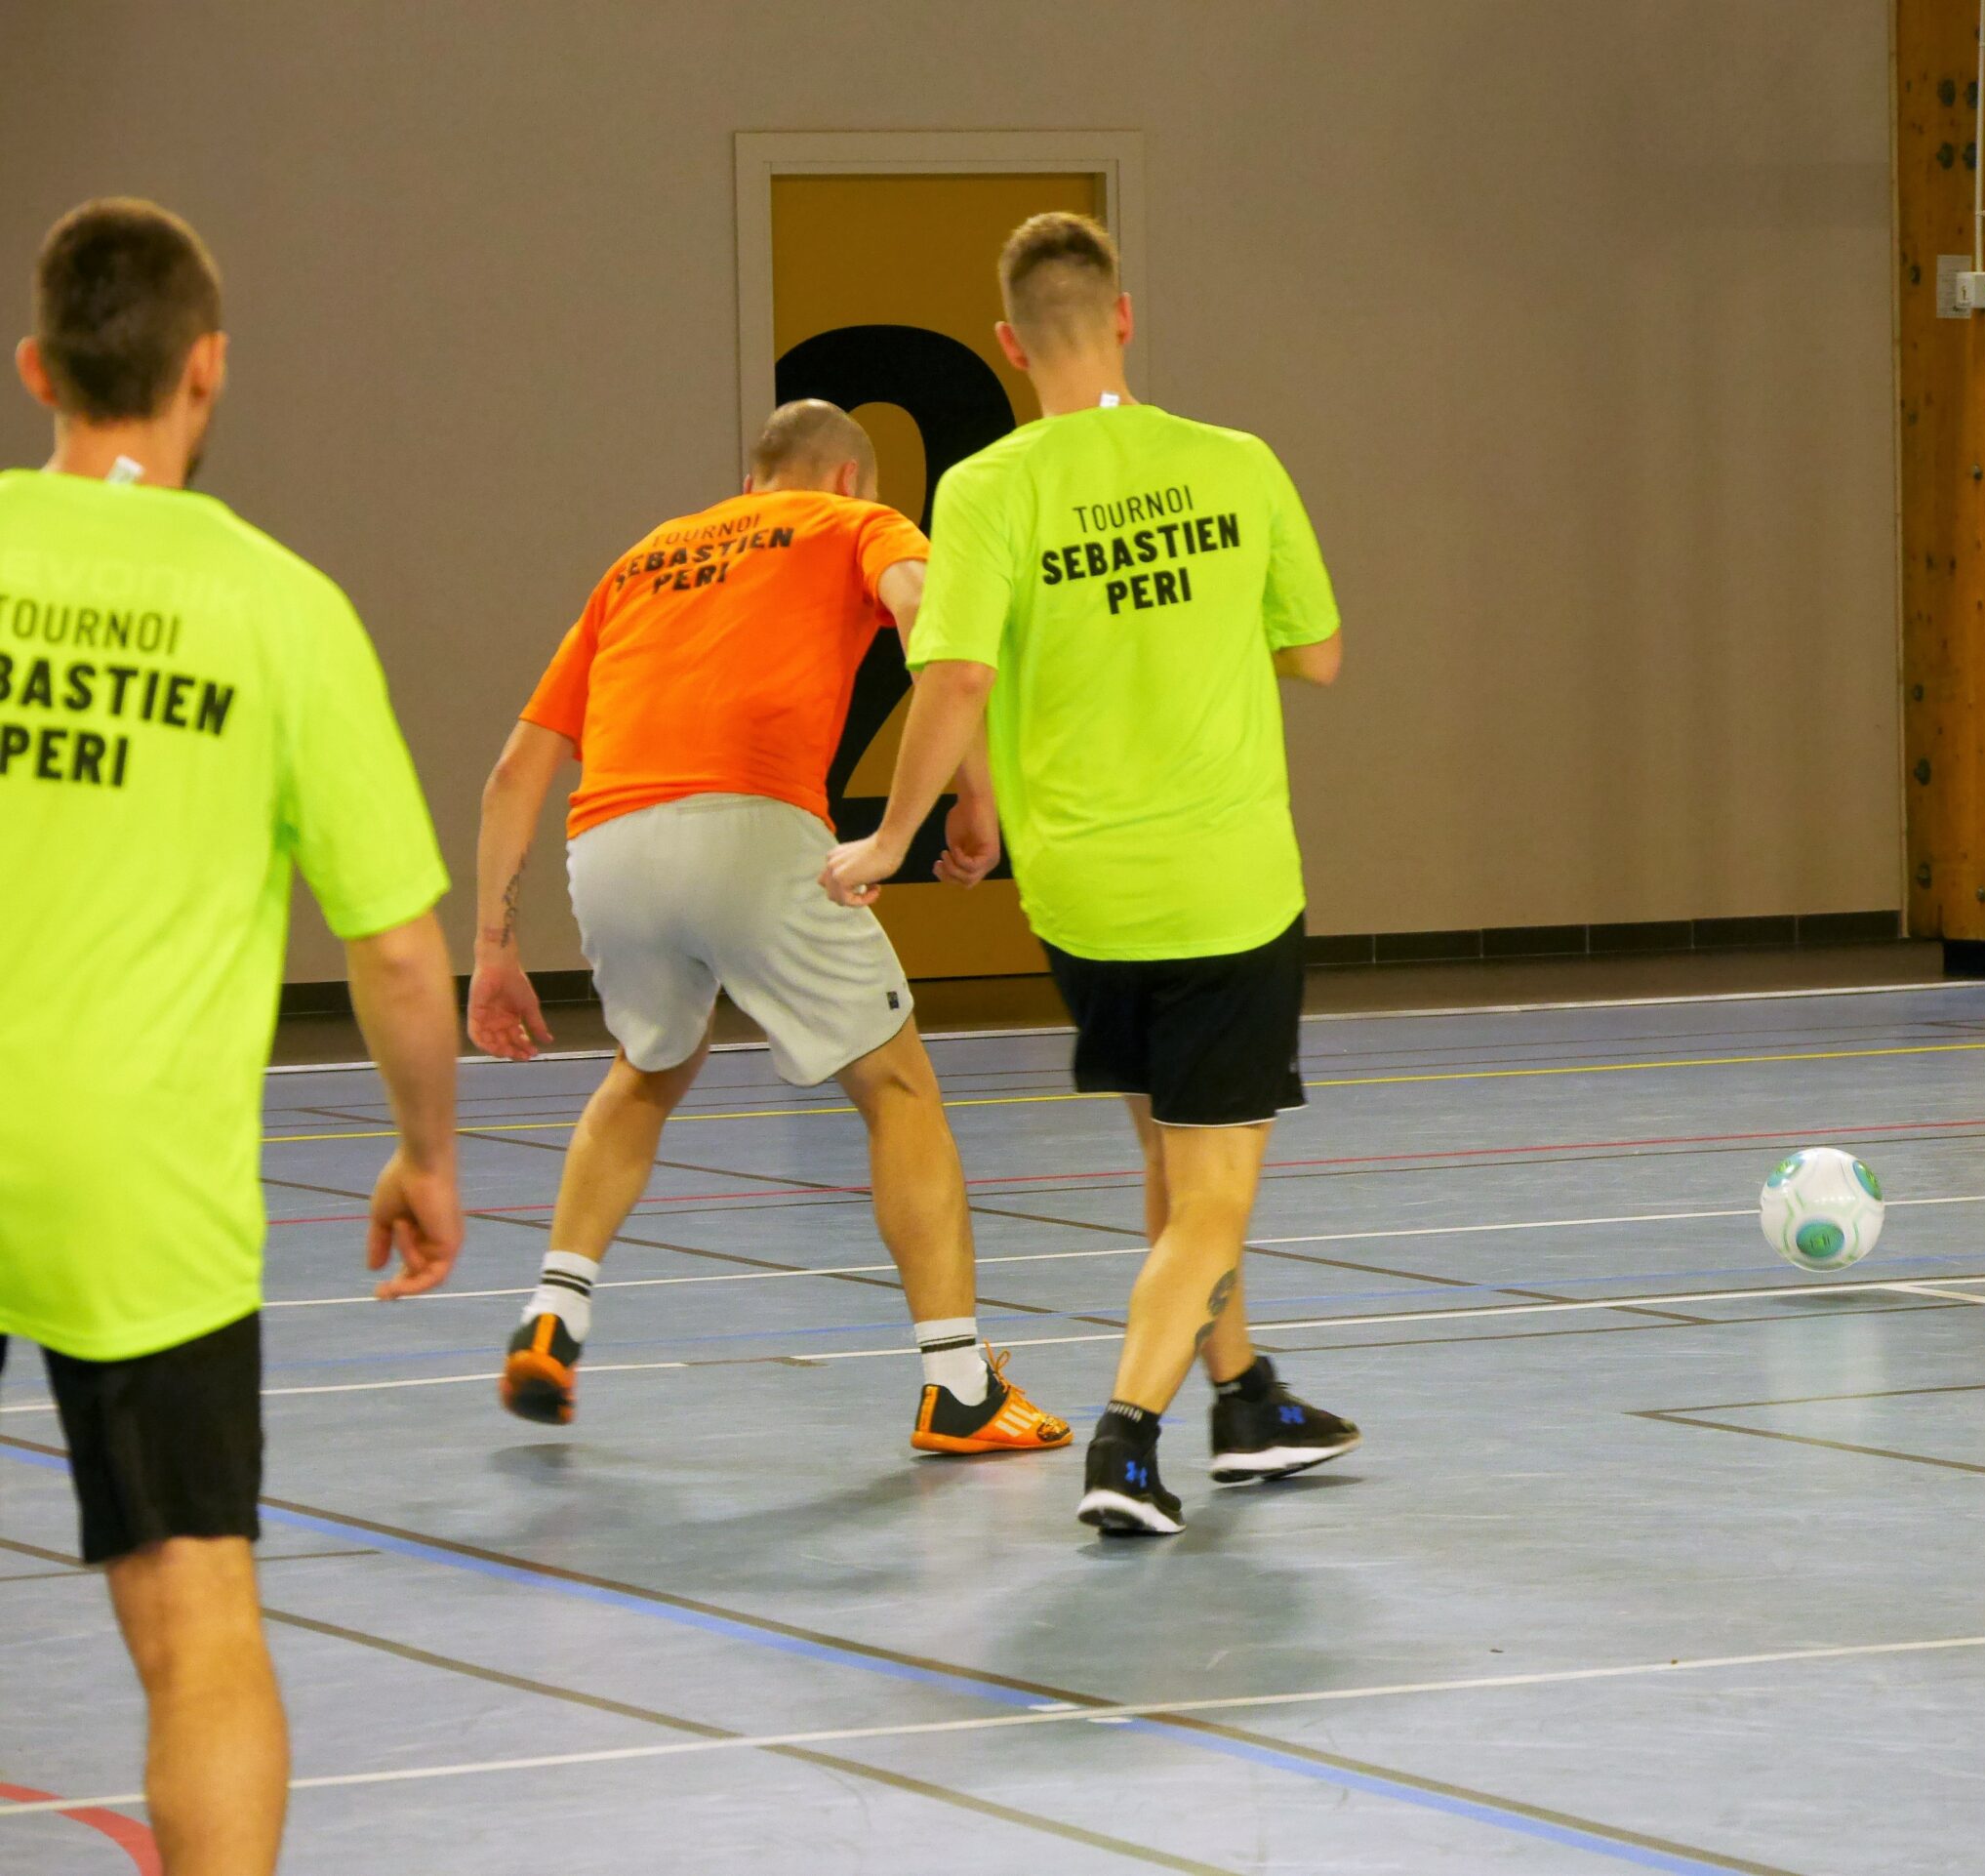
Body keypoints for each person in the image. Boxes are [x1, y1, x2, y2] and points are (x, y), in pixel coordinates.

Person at [0, 199, 462, 1876]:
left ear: (39, 367)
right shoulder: (283, 609)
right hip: (141, 1189)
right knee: (199, 1613)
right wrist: (424, 1153)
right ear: (206, 371)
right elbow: (402, 953)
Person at [825, 212, 1357, 1536]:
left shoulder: (989, 489)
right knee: (1217, 1193)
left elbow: (953, 676)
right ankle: (1128, 1439)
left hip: (1081, 900)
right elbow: (1321, 653)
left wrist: (893, 842)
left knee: (1174, 1160)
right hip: (1223, 885)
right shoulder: (1237, 465)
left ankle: (1247, 1400)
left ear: (1011, 346)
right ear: (1125, 315)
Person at [466, 399, 1068, 1456]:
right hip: (749, 824)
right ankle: (958, 1384)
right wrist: (969, 798)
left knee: (647, 1068)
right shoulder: (854, 525)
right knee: (897, 1086)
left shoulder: (643, 559)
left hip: (605, 844)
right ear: (847, 480)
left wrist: (492, 948)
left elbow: (515, 771)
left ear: (752, 482)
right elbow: (938, 625)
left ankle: (555, 1310)